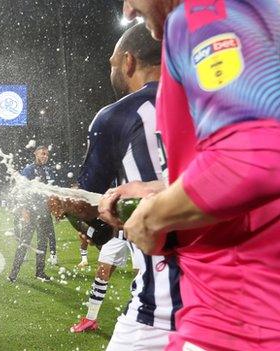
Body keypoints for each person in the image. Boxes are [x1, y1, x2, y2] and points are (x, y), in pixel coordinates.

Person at [98, 1, 280, 350]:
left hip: (241, 318)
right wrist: (159, 190)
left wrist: (154, 217)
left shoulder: (203, 14)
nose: (129, 10)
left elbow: (255, 157)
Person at [53, 25, 182, 351]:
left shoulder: (116, 116)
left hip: (162, 308)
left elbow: (90, 210)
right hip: (235, 300)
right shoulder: (211, 102)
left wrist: (68, 205)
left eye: (111, 62)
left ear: (127, 62)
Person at [8, 145, 57, 283]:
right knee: (24, 242)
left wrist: (54, 209)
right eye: (42, 154)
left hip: (45, 213)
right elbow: (22, 190)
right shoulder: (29, 170)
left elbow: (52, 193)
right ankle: (13, 274)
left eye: (47, 154)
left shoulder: (49, 171)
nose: (45, 156)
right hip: (31, 211)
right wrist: (24, 209)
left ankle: (40, 273)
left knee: (42, 243)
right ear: (35, 154)